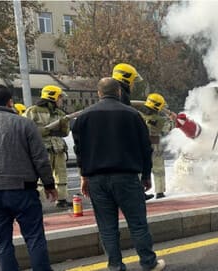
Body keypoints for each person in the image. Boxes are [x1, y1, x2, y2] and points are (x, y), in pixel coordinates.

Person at [72, 78, 165, 271]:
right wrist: (146, 175)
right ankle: (148, 263)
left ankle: (115, 266)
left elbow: (79, 150)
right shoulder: (132, 114)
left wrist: (83, 176)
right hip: (127, 178)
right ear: (119, 92)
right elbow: (145, 148)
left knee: (107, 227)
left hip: (96, 180)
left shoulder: (83, 117)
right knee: (137, 224)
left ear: (98, 93)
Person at [0, 84, 58, 271]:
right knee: (34, 238)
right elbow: (40, 158)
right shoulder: (24, 124)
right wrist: (49, 184)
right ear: (10, 102)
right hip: (23, 190)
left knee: (1, 241)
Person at [24, 85, 71, 208]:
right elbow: (25, 128)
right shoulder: (33, 111)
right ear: (53, 96)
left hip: (58, 148)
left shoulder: (60, 113)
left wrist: (63, 125)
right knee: (41, 175)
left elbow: (65, 133)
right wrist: (42, 131)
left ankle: (62, 199)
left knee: (61, 174)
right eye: (60, 97)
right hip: (42, 149)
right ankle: (38, 201)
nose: (61, 100)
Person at [112, 63, 154, 200]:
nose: (133, 85)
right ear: (126, 79)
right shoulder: (121, 97)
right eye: (132, 82)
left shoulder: (114, 94)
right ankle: (136, 193)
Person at [135, 93, 175, 199]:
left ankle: (139, 192)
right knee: (159, 170)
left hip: (139, 146)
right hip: (155, 146)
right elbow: (168, 128)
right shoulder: (160, 120)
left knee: (139, 170)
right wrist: (172, 119)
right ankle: (160, 191)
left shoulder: (137, 115)